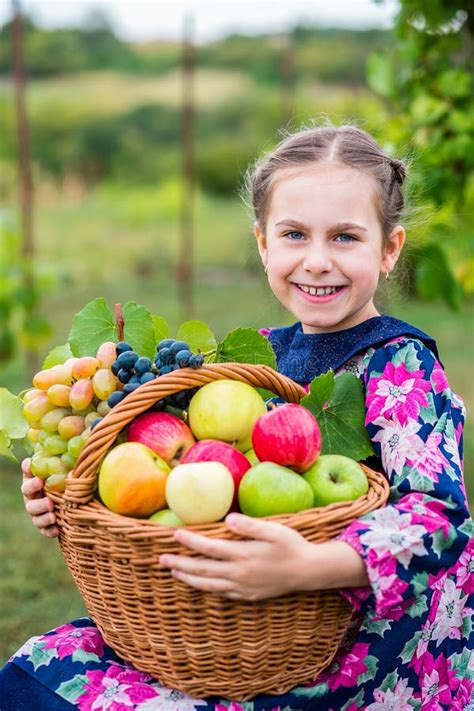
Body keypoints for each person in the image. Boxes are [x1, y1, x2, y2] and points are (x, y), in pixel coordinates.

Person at [1, 124, 473, 710]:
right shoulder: (253, 357)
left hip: (355, 649)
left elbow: (441, 518)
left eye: (346, 237)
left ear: (389, 248)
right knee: (37, 668)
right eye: (294, 234)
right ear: (262, 245)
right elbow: (177, 475)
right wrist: (70, 498)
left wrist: (307, 567)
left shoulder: (400, 365)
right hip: (231, 626)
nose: (317, 261)